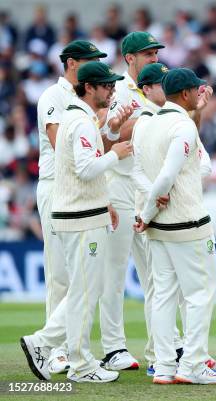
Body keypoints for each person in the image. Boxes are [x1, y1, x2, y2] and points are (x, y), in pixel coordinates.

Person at [21, 61, 133, 383]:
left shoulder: (76, 117)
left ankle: (42, 343)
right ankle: (80, 364)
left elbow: (80, 169)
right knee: (85, 292)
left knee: (83, 290)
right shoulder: (80, 121)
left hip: (82, 214)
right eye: (106, 85)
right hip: (81, 220)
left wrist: (105, 202)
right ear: (89, 88)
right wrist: (117, 154)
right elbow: (86, 169)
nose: (112, 90)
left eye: (112, 85)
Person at [131, 63, 216, 376]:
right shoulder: (182, 126)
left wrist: (148, 215)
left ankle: (163, 366)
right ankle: (193, 364)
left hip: (159, 227)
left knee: (163, 296)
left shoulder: (144, 124)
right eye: (196, 89)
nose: (200, 93)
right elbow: (166, 177)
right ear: (185, 93)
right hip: (188, 224)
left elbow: (136, 172)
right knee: (200, 294)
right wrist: (147, 212)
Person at [36, 39, 107, 375]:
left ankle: (72, 347)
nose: (96, 67)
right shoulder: (54, 96)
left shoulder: (86, 101)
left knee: (82, 275)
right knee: (61, 274)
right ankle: (54, 350)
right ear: (72, 63)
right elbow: (60, 146)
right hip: (56, 188)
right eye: (91, 61)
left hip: (81, 190)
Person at [98, 30, 165, 371]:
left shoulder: (158, 89)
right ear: (130, 58)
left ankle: (165, 348)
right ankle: (113, 348)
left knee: (158, 274)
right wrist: (148, 120)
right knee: (115, 270)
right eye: (148, 54)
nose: (154, 58)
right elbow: (107, 135)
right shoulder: (117, 89)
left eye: (156, 53)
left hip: (147, 186)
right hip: (120, 185)